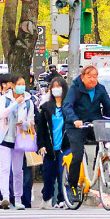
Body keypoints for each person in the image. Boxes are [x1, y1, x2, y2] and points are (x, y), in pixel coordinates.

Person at [65, 65, 110, 203]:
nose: (92, 79)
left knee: (104, 142)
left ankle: (99, 161)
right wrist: (75, 120)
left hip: (94, 123)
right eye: (89, 76)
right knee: (77, 156)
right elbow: (67, 106)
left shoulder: (100, 89)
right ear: (82, 77)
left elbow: (109, 106)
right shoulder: (75, 89)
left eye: (95, 76)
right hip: (77, 125)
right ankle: (72, 186)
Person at [0, 75, 36, 209]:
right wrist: (15, 104)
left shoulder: (29, 101)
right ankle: (5, 197)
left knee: (18, 170)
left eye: (23, 84)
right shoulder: (5, 99)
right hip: (5, 137)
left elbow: (31, 121)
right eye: (19, 84)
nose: (21, 87)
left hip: (20, 139)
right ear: (12, 85)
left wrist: (24, 124)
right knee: (5, 168)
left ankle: (18, 199)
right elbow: (1, 114)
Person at [35, 76, 71, 208]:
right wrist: (41, 145)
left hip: (65, 146)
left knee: (63, 172)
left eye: (59, 87)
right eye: (54, 87)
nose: (56, 89)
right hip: (50, 147)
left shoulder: (69, 107)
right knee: (49, 175)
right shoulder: (46, 108)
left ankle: (63, 199)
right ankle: (47, 197)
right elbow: (41, 129)